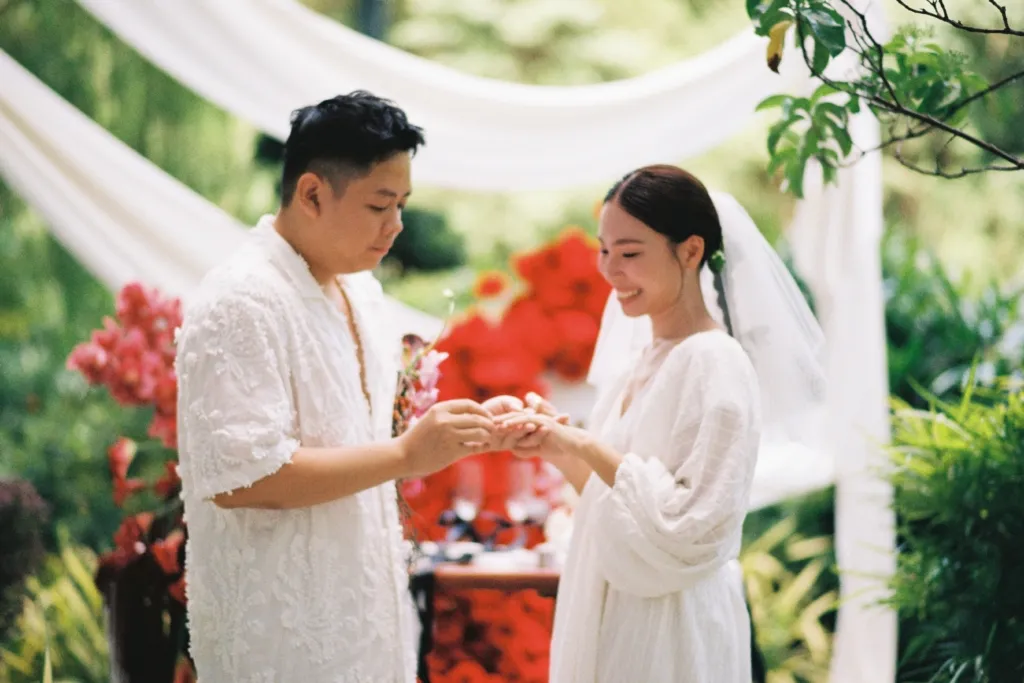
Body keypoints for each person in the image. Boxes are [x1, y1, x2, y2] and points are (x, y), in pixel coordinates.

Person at [175, 91, 517, 683]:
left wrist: (473, 429)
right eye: (379, 205)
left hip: (369, 622)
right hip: (282, 642)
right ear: (311, 194)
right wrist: (406, 455)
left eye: (402, 204)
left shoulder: (361, 290)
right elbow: (241, 477)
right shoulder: (240, 301)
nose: (396, 225)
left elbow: (357, 440)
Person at [497, 165, 826, 683]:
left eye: (630, 254)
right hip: (615, 610)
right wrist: (555, 447)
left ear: (690, 251)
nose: (611, 271)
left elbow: (695, 526)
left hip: (674, 627)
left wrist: (583, 443)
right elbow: (611, 501)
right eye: (604, 251)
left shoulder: (716, 362)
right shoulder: (640, 363)